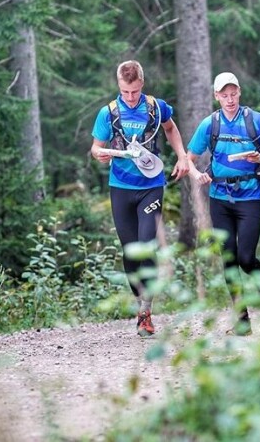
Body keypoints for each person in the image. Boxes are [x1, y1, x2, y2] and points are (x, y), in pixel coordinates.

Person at [90, 60, 189, 337]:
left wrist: (182, 155)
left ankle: (146, 312)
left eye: (134, 91)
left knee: (146, 247)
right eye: (125, 92)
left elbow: (170, 128)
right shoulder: (108, 113)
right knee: (130, 251)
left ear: (141, 84)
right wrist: (100, 153)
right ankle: (139, 298)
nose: (130, 98)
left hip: (151, 185)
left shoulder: (156, 108)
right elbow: (96, 148)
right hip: (120, 186)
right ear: (119, 87)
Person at [187, 72, 260, 336]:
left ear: (239, 92)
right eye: (224, 95)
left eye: (233, 94)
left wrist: (259, 157)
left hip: (249, 196)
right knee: (228, 258)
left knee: (245, 257)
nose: (229, 99)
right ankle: (242, 319)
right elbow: (189, 158)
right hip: (220, 198)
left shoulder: (255, 120)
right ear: (216, 96)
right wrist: (198, 175)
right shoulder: (210, 124)